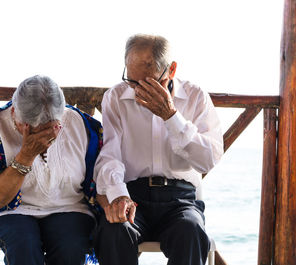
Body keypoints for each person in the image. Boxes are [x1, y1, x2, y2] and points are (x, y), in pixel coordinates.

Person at [93, 34, 224, 265]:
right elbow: (109, 156)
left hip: (180, 199)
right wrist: (118, 194)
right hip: (133, 194)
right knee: (113, 230)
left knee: (191, 231)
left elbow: (208, 159)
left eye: (147, 82)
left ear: (171, 70)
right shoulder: (115, 97)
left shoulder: (195, 97)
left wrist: (171, 117)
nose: (137, 91)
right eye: (132, 81)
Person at [0, 75, 97, 265]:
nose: (43, 139)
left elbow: (103, 175)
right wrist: (26, 156)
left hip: (69, 206)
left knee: (71, 247)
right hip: (10, 211)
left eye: (49, 129)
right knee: (23, 244)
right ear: (14, 113)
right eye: (31, 130)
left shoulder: (79, 124)